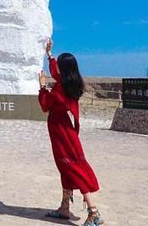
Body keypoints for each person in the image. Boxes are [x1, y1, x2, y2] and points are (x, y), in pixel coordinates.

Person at [38, 39, 104, 226]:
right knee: (65, 167)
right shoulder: (71, 83)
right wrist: (50, 55)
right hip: (66, 130)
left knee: (71, 168)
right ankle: (64, 207)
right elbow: (56, 72)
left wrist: (42, 86)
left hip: (60, 131)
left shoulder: (59, 88)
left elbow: (45, 105)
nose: (55, 67)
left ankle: (93, 212)